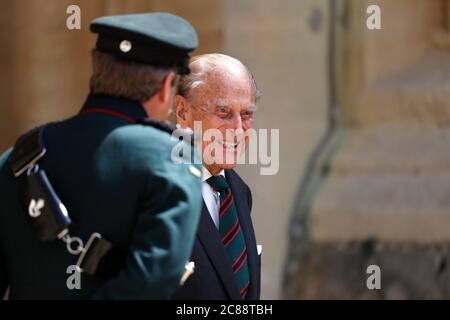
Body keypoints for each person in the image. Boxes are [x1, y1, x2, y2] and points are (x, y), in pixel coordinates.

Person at [0, 12, 203, 299]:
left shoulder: (20, 156)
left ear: (97, 73)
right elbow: (153, 281)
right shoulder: (170, 157)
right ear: (166, 86)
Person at [172, 53, 261, 300]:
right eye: (223, 112)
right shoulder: (157, 188)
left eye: (246, 114)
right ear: (182, 112)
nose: (237, 129)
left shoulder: (239, 192)